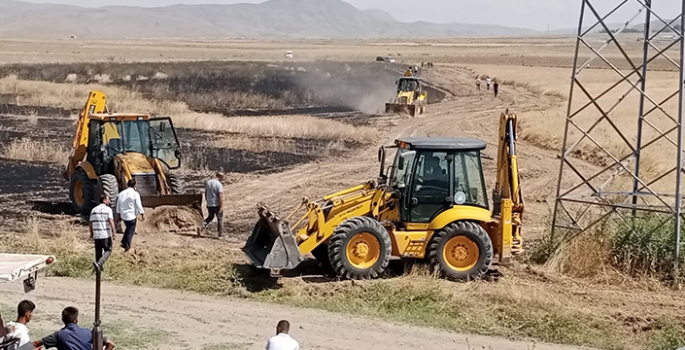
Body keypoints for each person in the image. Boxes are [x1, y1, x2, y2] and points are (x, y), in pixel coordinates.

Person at [32, 307, 115, 350]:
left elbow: (36, 344)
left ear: (63, 320)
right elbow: (111, 344)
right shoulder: (88, 333)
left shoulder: (59, 335)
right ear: (76, 320)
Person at [116, 179, 144, 252]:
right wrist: (142, 213)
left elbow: (118, 204)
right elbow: (138, 204)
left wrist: (119, 213)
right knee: (130, 230)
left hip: (123, 215)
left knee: (128, 228)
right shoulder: (135, 194)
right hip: (131, 216)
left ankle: (123, 242)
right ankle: (127, 245)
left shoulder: (121, 193)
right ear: (134, 186)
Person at [90, 194, 116, 271]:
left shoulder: (93, 210)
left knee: (98, 253)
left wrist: (91, 233)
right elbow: (111, 221)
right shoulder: (108, 210)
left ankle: (98, 271)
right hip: (105, 235)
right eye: (108, 199)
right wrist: (114, 232)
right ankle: (100, 263)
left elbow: (90, 223)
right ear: (104, 200)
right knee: (108, 250)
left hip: (97, 235)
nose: (109, 201)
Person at [199, 173, 224, 237]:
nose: (223, 179)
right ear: (219, 176)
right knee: (220, 219)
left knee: (210, 217)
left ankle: (202, 226)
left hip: (210, 204)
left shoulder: (208, 183)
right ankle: (220, 234)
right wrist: (221, 207)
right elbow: (220, 196)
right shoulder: (219, 184)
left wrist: (208, 201)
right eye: (222, 177)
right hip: (216, 204)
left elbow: (206, 193)